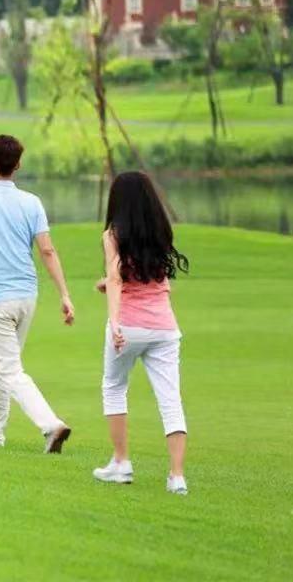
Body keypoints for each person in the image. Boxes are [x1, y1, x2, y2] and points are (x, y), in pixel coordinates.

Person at [0, 134, 74, 452]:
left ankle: (51, 425)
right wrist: (64, 294)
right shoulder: (31, 202)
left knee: (8, 368)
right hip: (27, 296)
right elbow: (47, 250)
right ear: (18, 164)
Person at [93, 171, 190, 494]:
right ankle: (177, 477)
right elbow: (157, 282)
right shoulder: (160, 232)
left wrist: (116, 322)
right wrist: (108, 284)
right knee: (170, 399)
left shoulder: (113, 234)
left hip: (130, 326)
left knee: (114, 387)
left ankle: (121, 463)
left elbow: (118, 278)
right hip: (164, 328)